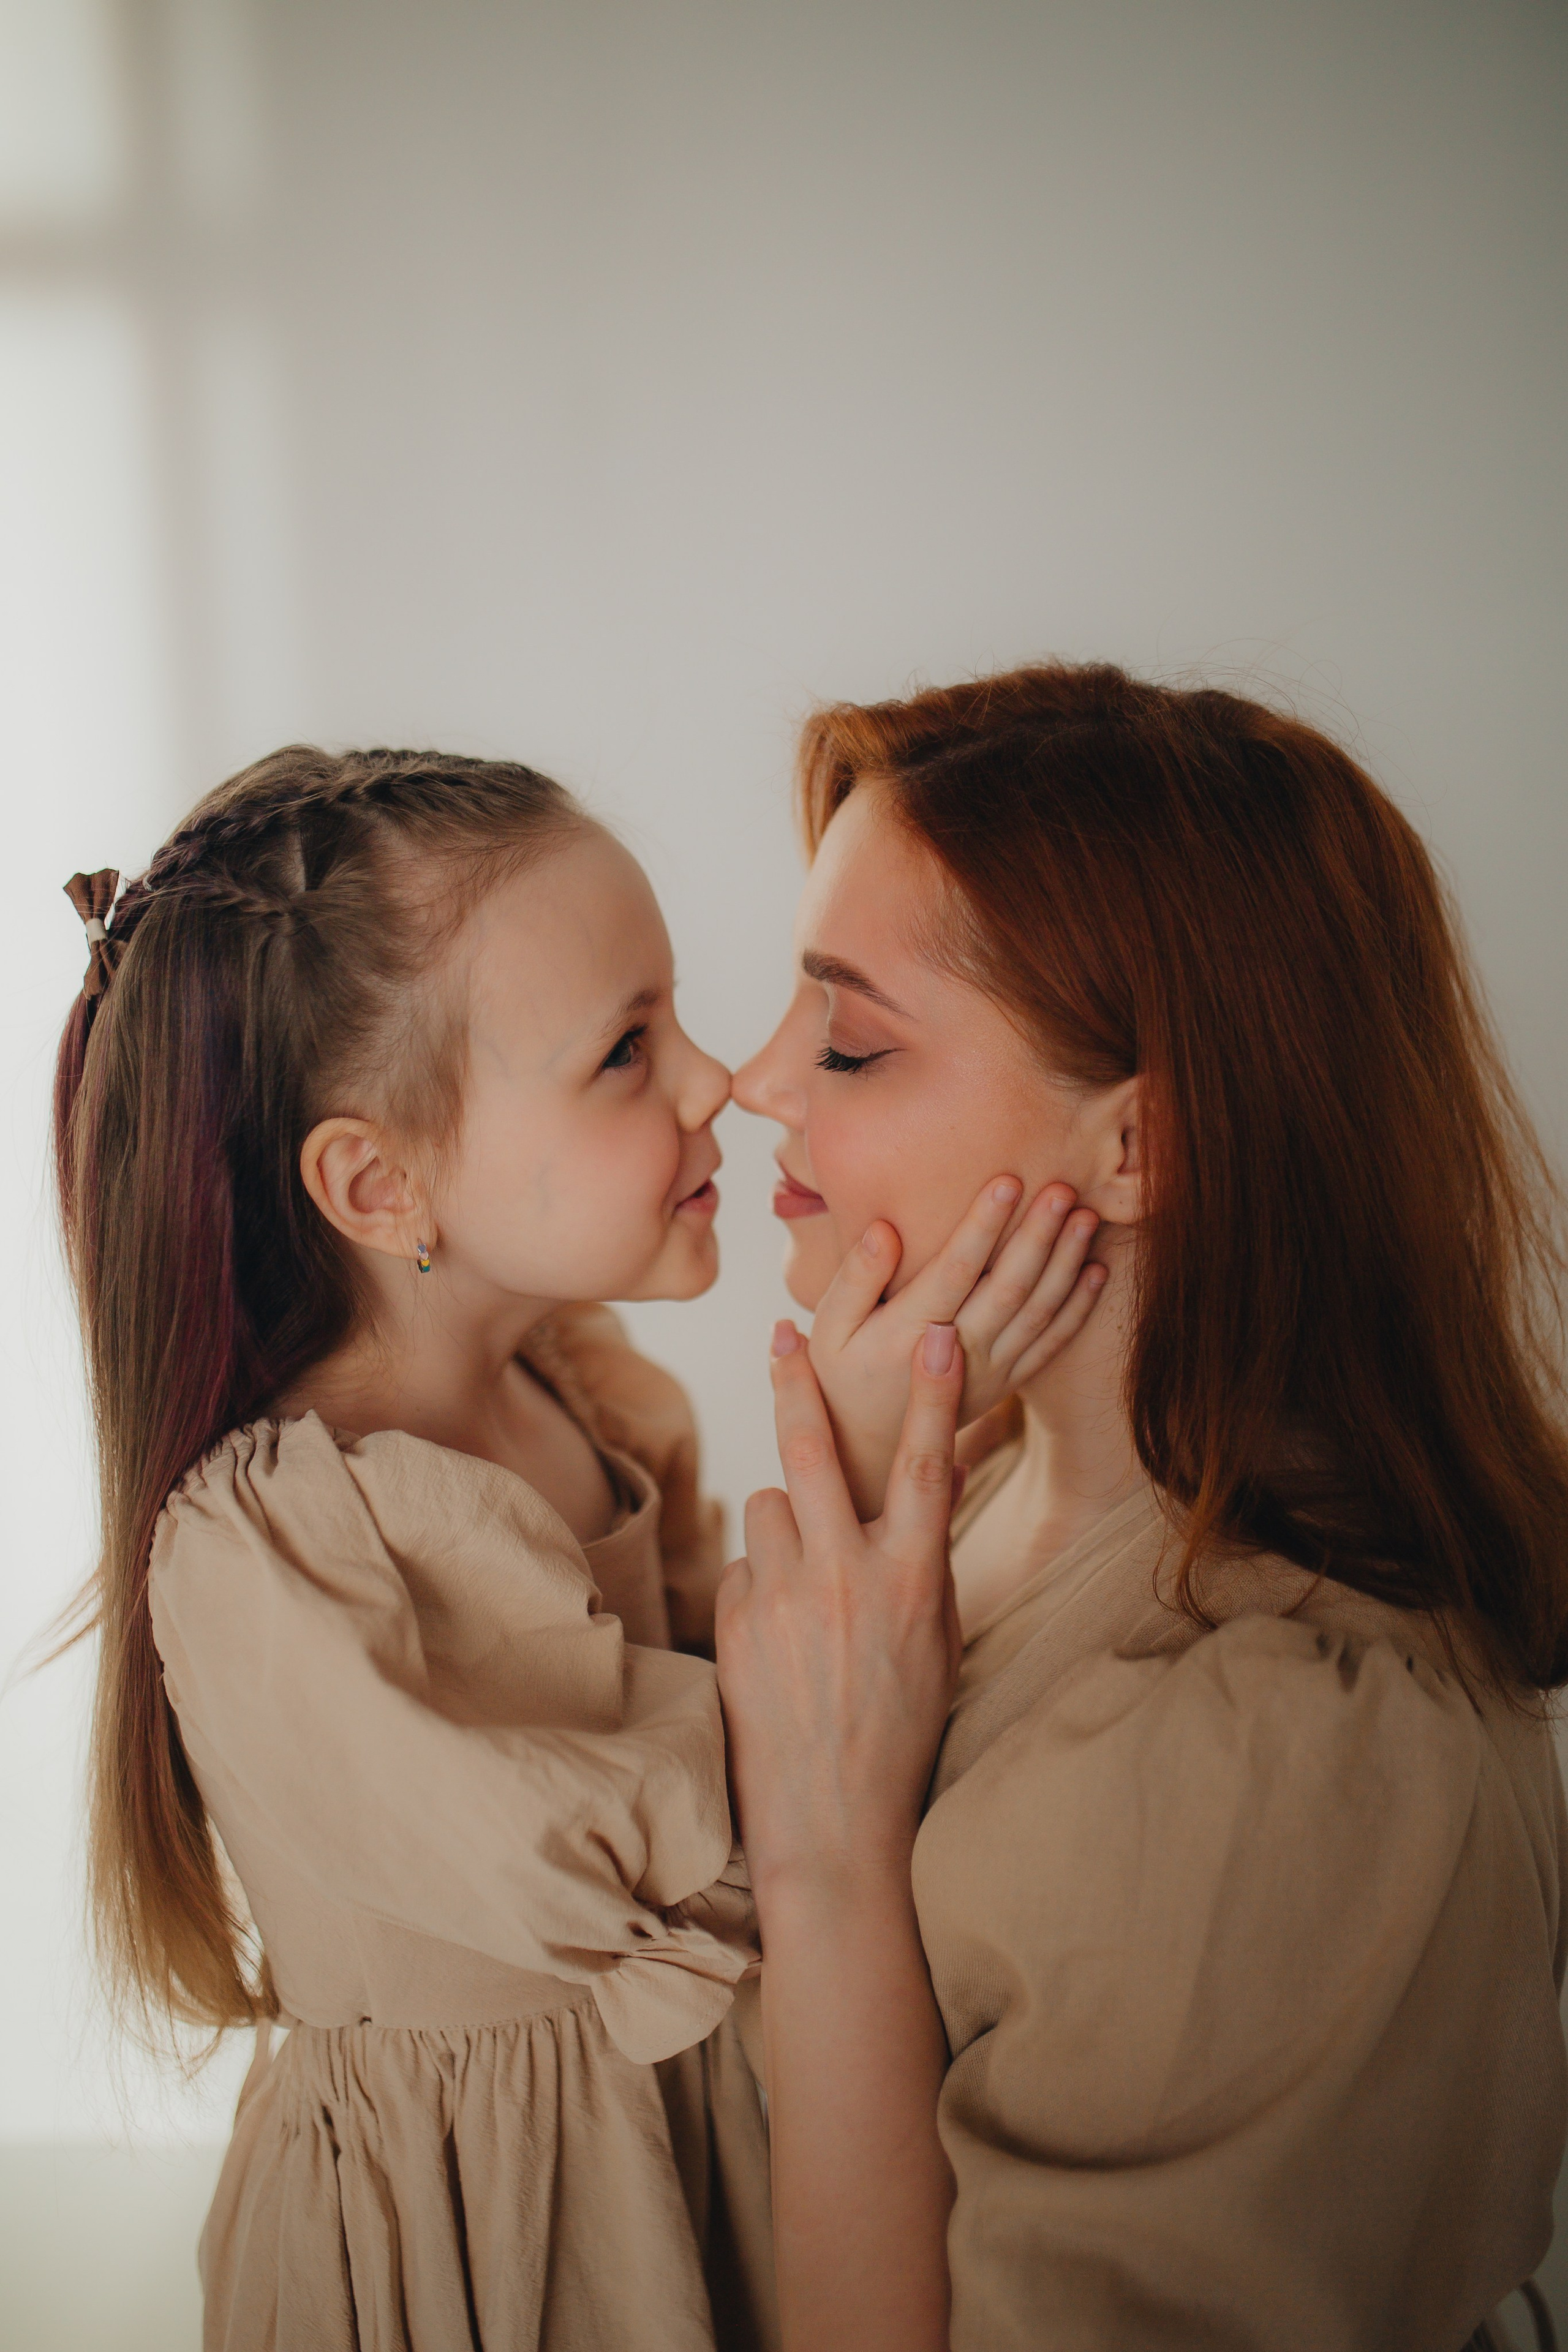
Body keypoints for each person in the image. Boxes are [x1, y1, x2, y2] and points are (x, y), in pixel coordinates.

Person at [720, 662, 1568, 2352]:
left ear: (1136, 1149)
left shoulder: (1282, 1762)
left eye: (854, 1037)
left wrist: (826, 1863)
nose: (754, 1082)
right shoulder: (982, 1490)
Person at [56, 747, 768, 2352]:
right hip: (484, 2231)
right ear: (380, 1182)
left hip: (691, 2137)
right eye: (626, 1053)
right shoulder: (275, 1556)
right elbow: (639, 1835)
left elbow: (718, 1668)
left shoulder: (566, 1384)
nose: (715, 1079)